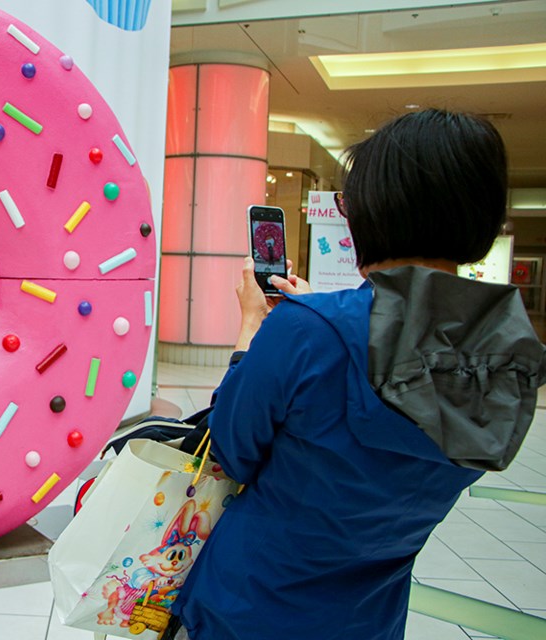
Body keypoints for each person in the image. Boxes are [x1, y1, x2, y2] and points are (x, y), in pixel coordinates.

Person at [166, 109, 546, 639]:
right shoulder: (508, 358)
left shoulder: (306, 331)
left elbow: (231, 450)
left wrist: (255, 327)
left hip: (249, 605)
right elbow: (400, 363)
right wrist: (320, 316)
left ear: (372, 212)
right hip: (369, 616)